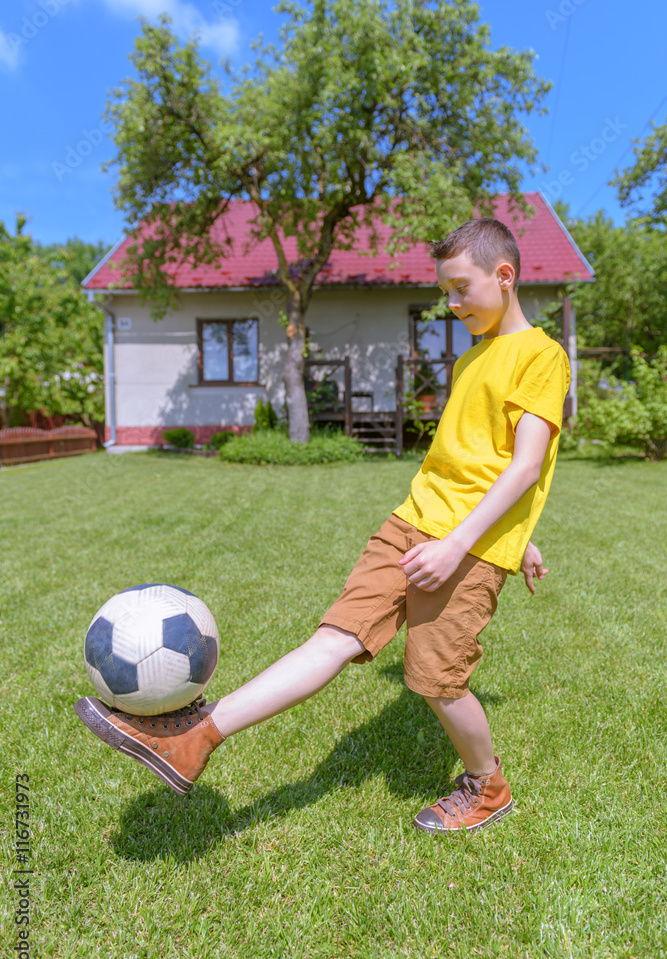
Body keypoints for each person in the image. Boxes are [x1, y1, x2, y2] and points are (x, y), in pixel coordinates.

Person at [75, 217, 569, 833]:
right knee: (334, 638)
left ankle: (487, 786)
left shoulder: (541, 355)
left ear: (505, 276)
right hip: (412, 523)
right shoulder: (475, 357)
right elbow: (479, 460)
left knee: (438, 682)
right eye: (445, 291)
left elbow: (525, 466)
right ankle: (195, 738)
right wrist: (517, 536)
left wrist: (475, 542)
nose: (452, 303)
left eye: (460, 288)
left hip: (461, 548)